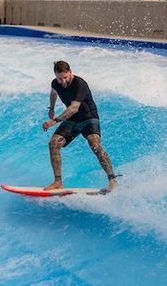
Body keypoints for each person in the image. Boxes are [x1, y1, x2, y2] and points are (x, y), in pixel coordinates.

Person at [41, 60, 118, 192]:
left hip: (89, 117)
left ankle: (112, 180)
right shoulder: (56, 83)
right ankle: (58, 182)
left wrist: (55, 120)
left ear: (70, 72)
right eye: (59, 78)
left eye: (65, 77)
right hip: (72, 120)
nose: (63, 81)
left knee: (94, 144)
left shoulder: (80, 84)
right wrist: (51, 107)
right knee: (53, 143)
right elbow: (54, 92)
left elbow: (74, 108)